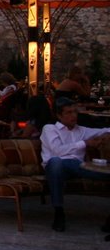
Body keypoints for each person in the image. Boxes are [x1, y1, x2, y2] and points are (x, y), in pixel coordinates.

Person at [40, 98, 110, 232]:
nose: (74, 116)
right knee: (56, 162)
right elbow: (57, 150)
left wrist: (106, 134)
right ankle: (59, 212)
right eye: (69, 112)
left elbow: (105, 130)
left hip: (78, 167)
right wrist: (84, 143)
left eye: (75, 112)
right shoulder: (49, 129)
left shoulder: (81, 130)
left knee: (105, 172)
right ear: (59, 115)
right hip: (56, 168)